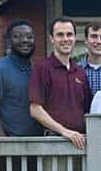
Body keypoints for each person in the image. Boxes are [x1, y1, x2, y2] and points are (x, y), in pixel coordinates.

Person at [30, 17, 93, 150]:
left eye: (69, 34)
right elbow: (35, 109)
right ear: (51, 39)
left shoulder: (80, 71)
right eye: (60, 35)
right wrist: (65, 132)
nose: (65, 39)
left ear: (75, 38)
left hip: (80, 144)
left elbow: (87, 109)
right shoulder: (42, 68)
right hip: (53, 144)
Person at [0, 20, 41, 137]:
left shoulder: (37, 70)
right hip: (11, 146)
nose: (24, 40)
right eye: (17, 37)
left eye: (29, 37)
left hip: (38, 145)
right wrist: (4, 144)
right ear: (9, 41)